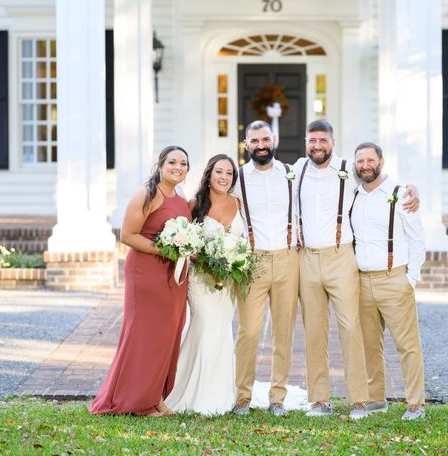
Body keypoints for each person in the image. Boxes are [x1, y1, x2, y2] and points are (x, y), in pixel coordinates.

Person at [293, 120, 419, 419]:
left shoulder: (350, 170)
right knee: (314, 331)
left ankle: (360, 400)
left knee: (351, 328)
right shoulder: (296, 171)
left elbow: (381, 180)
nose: (318, 145)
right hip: (307, 259)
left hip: (341, 257)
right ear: (306, 142)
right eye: (312, 140)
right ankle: (319, 400)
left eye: (323, 140)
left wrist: (413, 188)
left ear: (332, 142)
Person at [89, 146, 191, 417]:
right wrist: (165, 250)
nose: (177, 167)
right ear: (160, 165)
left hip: (173, 276)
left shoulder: (180, 196)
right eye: (172, 162)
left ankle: (156, 397)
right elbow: (128, 235)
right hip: (147, 273)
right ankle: (137, 400)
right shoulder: (147, 194)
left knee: (167, 335)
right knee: (145, 336)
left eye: (183, 163)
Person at [350, 142, 427, 421]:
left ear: (381, 161)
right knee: (369, 345)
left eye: (370, 160)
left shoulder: (400, 194)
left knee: (407, 345)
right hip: (362, 282)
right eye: (360, 161)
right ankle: (375, 399)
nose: (365, 165)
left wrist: (411, 280)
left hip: (394, 279)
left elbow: (418, 238)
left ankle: (415, 405)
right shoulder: (354, 195)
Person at [232, 121, 301, 417]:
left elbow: (338, 178)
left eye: (265, 139)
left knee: (283, 331)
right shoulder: (237, 178)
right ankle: (242, 397)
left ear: (274, 140)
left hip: (288, 258)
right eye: (254, 140)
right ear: (247, 144)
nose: (260, 144)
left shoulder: (293, 174)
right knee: (249, 331)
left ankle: (277, 397)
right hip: (253, 260)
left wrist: (406, 188)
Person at [164, 154, 242, 415]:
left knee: (222, 330)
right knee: (205, 327)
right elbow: (186, 242)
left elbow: (243, 243)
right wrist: (208, 261)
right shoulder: (195, 204)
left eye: (229, 173)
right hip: (201, 279)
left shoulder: (239, 204)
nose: (224, 177)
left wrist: (234, 262)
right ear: (209, 174)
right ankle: (192, 393)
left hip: (227, 281)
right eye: (219, 171)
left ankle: (222, 393)